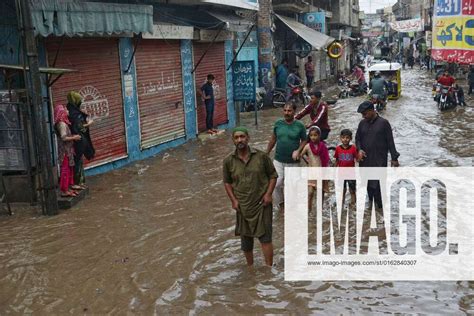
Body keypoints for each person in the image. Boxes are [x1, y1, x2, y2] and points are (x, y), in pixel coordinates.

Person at [223, 127, 277, 266]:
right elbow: (227, 182)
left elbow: (273, 175)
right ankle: (250, 269)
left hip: (262, 203)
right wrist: (234, 201)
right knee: (246, 240)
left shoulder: (261, 156)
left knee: (265, 237)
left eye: (242, 137)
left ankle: (269, 269)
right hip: (242, 205)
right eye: (236, 138)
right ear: (233, 141)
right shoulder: (229, 161)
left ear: (248, 138)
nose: (240, 140)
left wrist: (268, 194)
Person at [355, 101, 399, 210]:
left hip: (379, 160)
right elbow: (357, 139)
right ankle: (371, 207)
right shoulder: (362, 123)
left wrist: (394, 158)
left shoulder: (384, 123)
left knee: (378, 186)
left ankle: (381, 210)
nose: (363, 116)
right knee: (367, 184)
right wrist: (359, 150)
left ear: (371, 110)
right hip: (365, 160)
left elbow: (390, 142)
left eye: (365, 114)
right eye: (362, 114)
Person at [266, 102, 307, 212]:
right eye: (285, 110)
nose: (286, 113)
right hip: (278, 160)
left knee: (293, 186)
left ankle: (293, 207)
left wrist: (298, 150)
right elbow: (273, 139)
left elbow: (305, 140)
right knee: (276, 184)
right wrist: (266, 153)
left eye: (289, 111)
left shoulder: (300, 125)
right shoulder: (278, 124)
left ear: (294, 111)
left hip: (294, 162)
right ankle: (281, 204)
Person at [67, 91, 95, 190]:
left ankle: (79, 182)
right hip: (77, 141)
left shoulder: (71, 110)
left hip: (77, 141)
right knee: (77, 162)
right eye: (79, 101)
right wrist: (89, 123)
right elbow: (79, 127)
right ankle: (76, 183)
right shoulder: (74, 113)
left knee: (78, 161)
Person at [54, 104, 81, 197]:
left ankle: (68, 187)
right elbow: (63, 137)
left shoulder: (65, 122)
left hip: (68, 150)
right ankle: (64, 190)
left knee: (69, 168)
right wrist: (74, 137)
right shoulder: (61, 124)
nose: (67, 111)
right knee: (65, 169)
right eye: (65, 109)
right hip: (64, 151)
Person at [301, 126, 329, 211]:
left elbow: (326, 159)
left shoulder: (323, 146)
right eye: (311, 135)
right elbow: (301, 155)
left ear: (319, 136)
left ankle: (319, 210)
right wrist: (307, 162)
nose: (313, 137)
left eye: (315, 135)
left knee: (320, 193)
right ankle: (309, 210)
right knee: (310, 193)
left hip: (322, 172)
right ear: (309, 136)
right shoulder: (307, 146)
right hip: (311, 173)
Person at [334, 129, 359, 205]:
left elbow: (357, 159)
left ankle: (353, 205)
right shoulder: (338, 149)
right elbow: (337, 160)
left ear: (351, 138)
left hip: (351, 174)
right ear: (340, 138)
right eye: (343, 137)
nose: (345, 139)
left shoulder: (353, 148)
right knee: (343, 190)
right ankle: (341, 204)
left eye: (347, 137)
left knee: (352, 190)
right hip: (341, 174)